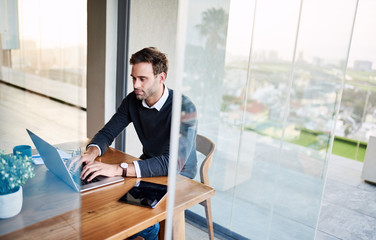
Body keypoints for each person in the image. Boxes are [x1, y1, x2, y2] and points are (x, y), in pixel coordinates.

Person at [70, 47, 197, 240]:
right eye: (133, 78)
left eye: (142, 79)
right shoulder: (133, 100)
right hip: (149, 165)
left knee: (131, 219)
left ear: (161, 77)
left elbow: (172, 164)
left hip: (180, 175)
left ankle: (153, 232)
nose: (136, 84)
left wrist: (117, 169)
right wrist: (92, 151)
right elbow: (108, 132)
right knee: (107, 205)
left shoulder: (184, 108)